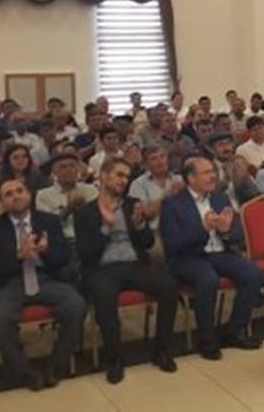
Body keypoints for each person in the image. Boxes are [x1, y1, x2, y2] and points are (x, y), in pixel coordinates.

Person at [74, 158, 178, 383]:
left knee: (169, 286)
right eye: (119, 175)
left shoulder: (133, 204)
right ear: (104, 176)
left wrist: (140, 225)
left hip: (133, 264)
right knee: (104, 296)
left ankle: (162, 349)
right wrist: (105, 227)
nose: (124, 180)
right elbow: (85, 254)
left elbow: (149, 243)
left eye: (127, 176)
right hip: (101, 269)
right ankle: (114, 358)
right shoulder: (86, 212)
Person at [0, 179, 86, 391]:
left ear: (29, 195)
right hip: (10, 283)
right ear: (1, 202)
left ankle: (57, 365)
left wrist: (46, 252)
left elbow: (64, 257)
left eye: (19, 191)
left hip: (46, 278)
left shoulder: (49, 221)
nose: (16, 196)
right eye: (8, 194)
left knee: (76, 305)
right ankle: (23, 372)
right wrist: (18, 256)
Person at [160, 156, 264, 360]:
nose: (213, 176)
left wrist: (225, 231)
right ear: (191, 178)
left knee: (253, 273)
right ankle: (207, 340)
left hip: (219, 253)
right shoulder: (172, 204)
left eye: (213, 172)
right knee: (208, 279)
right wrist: (203, 229)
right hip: (187, 258)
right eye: (207, 172)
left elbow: (237, 234)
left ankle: (235, 330)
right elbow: (173, 245)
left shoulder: (219, 198)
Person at [36, 154, 100, 241]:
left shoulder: (91, 190)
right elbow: (47, 224)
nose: (69, 170)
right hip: (60, 241)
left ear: (78, 169)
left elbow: (99, 218)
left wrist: (84, 209)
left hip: (89, 239)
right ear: (54, 172)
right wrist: (68, 209)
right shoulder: (42, 195)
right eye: (63, 167)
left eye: (72, 166)